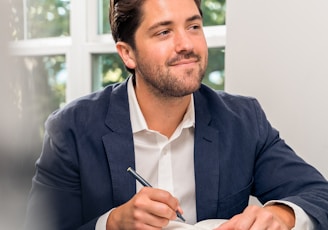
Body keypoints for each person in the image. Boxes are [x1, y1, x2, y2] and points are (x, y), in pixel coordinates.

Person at [25, 0, 328, 229]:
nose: (186, 44)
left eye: (193, 26)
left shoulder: (243, 119)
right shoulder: (71, 128)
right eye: (164, 31)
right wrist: (112, 223)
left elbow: (318, 195)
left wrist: (281, 215)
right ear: (127, 53)